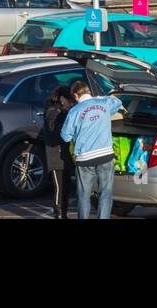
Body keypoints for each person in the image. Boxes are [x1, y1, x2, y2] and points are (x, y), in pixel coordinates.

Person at [59, 82, 124, 220]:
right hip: (105, 155)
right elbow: (118, 102)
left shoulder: (74, 111)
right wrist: (101, 98)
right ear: (89, 92)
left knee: (83, 196)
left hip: (84, 158)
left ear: (76, 96)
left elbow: (65, 136)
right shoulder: (104, 104)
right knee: (105, 194)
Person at [41, 86, 75, 219]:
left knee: (66, 186)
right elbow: (54, 131)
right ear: (62, 99)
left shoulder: (62, 111)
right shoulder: (52, 111)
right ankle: (59, 214)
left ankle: (64, 213)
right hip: (56, 155)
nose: (71, 103)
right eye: (69, 100)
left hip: (65, 154)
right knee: (59, 187)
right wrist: (67, 113)